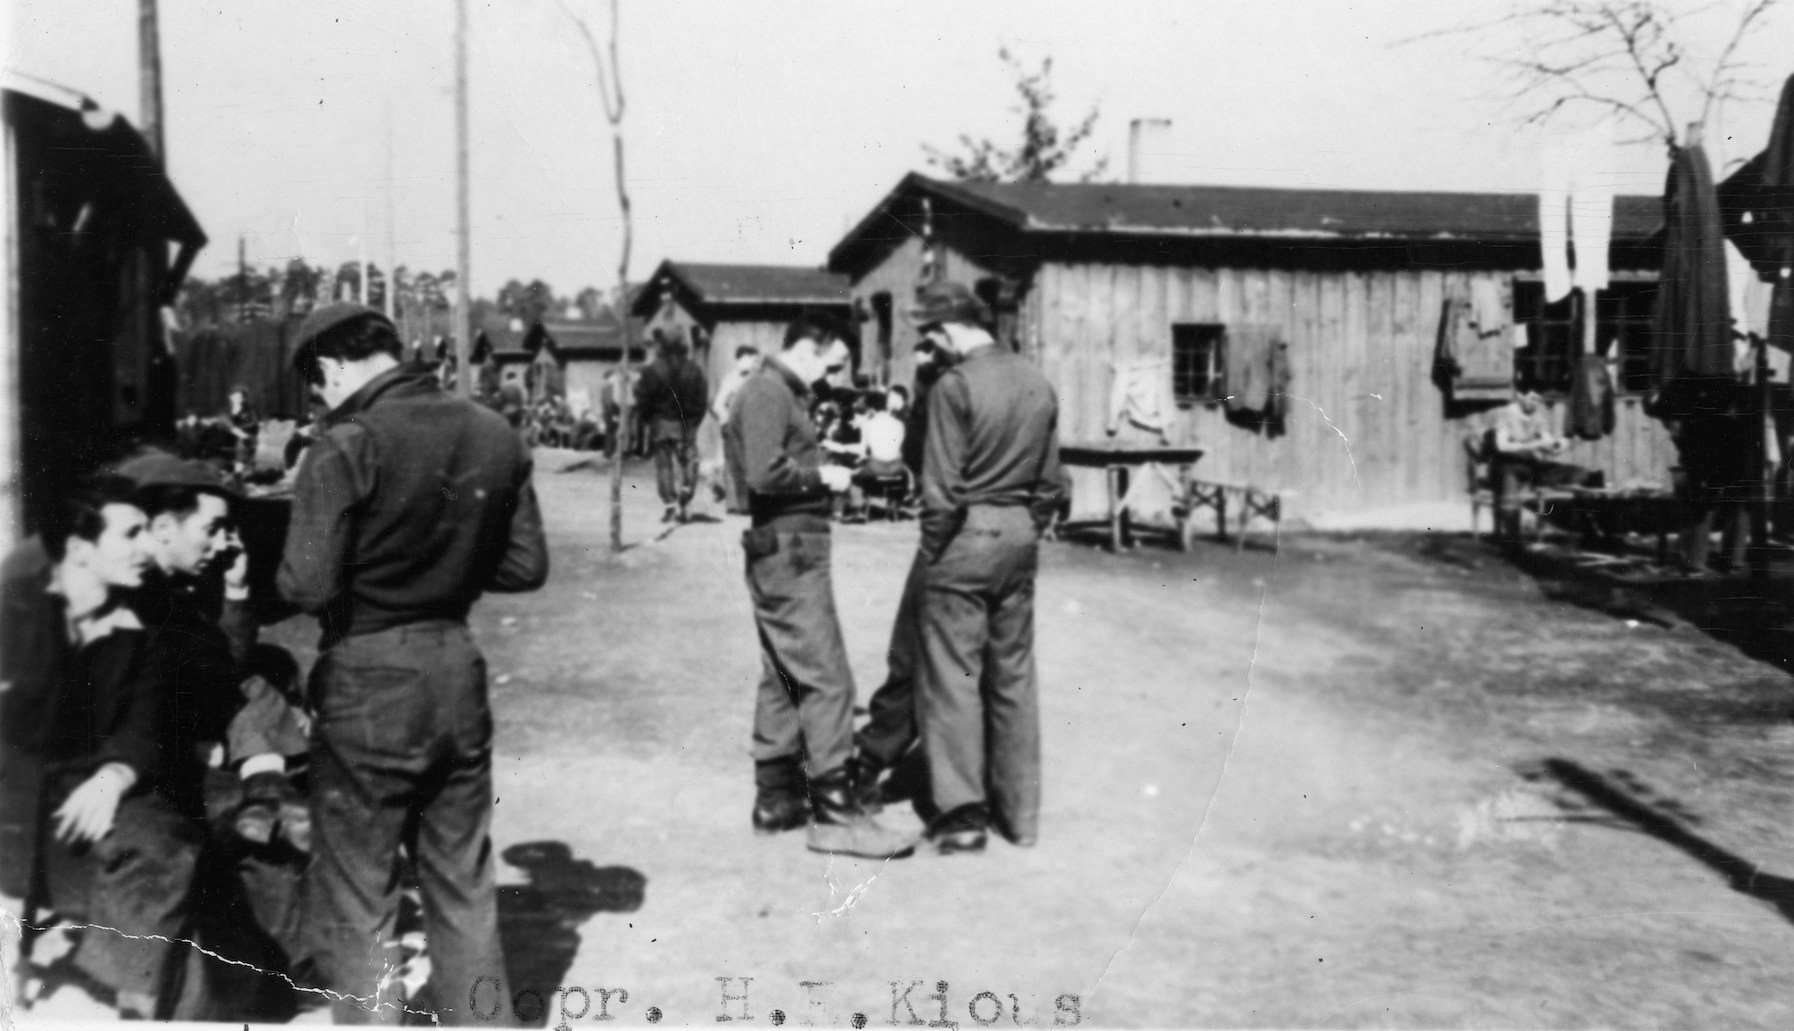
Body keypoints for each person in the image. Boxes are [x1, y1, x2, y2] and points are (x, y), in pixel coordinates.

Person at [278, 302, 549, 1024]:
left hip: (367, 675)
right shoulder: (496, 432)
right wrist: (445, 559)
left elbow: (305, 584)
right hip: (457, 669)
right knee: (462, 882)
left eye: (318, 388)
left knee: (357, 889)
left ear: (331, 369)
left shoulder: (344, 443)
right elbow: (525, 567)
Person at [0, 475, 203, 1018]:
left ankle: (135, 1007)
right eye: (131, 533)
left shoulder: (143, 619)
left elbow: (145, 723)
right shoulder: (14, 612)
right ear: (81, 551)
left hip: (94, 783)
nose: (147, 546)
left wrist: (114, 776)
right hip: (16, 787)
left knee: (159, 841)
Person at [722, 312, 914, 859]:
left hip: (790, 543)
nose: (834, 375)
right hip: (790, 548)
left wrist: (826, 465)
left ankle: (776, 798)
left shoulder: (779, 391)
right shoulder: (768, 391)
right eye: (832, 362)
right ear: (809, 346)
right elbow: (763, 474)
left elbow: (778, 461)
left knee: (784, 673)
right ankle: (835, 811)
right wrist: (822, 477)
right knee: (829, 679)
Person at [909, 281, 1063, 854]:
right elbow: (1051, 483)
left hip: (964, 538)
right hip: (1020, 535)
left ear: (949, 330)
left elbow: (942, 491)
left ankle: (964, 815)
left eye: (932, 334)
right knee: (1014, 676)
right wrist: (1025, 524)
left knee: (953, 678)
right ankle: (1021, 816)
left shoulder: (954, 385)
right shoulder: (1036, 381)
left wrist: (932, 552)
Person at [115, 451, 310, 848]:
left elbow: (220, 666)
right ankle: (264, 787)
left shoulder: (173, 585)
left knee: (260, 673)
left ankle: (268, 787)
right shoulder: (123, 590)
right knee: (252, 685)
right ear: (163, 527)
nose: (224, 543)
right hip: (134, 760)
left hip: (174, 727)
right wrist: (197, 746)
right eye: (214, 528)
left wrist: (237, 589)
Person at [851, 341, 957, 806]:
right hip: (999, 545)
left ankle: (872, 761)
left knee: (912, 653)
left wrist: (924, 384)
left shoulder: (943, 388)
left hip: (947, 539)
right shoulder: (1019, 383)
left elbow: (918, 455)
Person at [1488, 389, 1589, 540]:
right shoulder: (1505, 414)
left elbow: (1547, 444)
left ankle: (1583, 531)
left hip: (1531, 465)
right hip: (1506, 463)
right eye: (1531, 399)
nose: (1535, 403)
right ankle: (1512, 542)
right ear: (1519, 396)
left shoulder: (1537, 416)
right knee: (1510, 494)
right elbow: (1502, 446)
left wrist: (1558, 446)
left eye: (1537, 400)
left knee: (1580, 474)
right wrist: (1534, 444)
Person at [636, 331, 710, 522]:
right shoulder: (693, 369)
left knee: (664, 465)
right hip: (685, 424)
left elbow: (643, 399)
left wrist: (647, 419)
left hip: (660, 425)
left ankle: (670, 503)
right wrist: (694, 422)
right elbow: (701, 400)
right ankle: (686, 491)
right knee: (690, 462)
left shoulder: (652, 370)